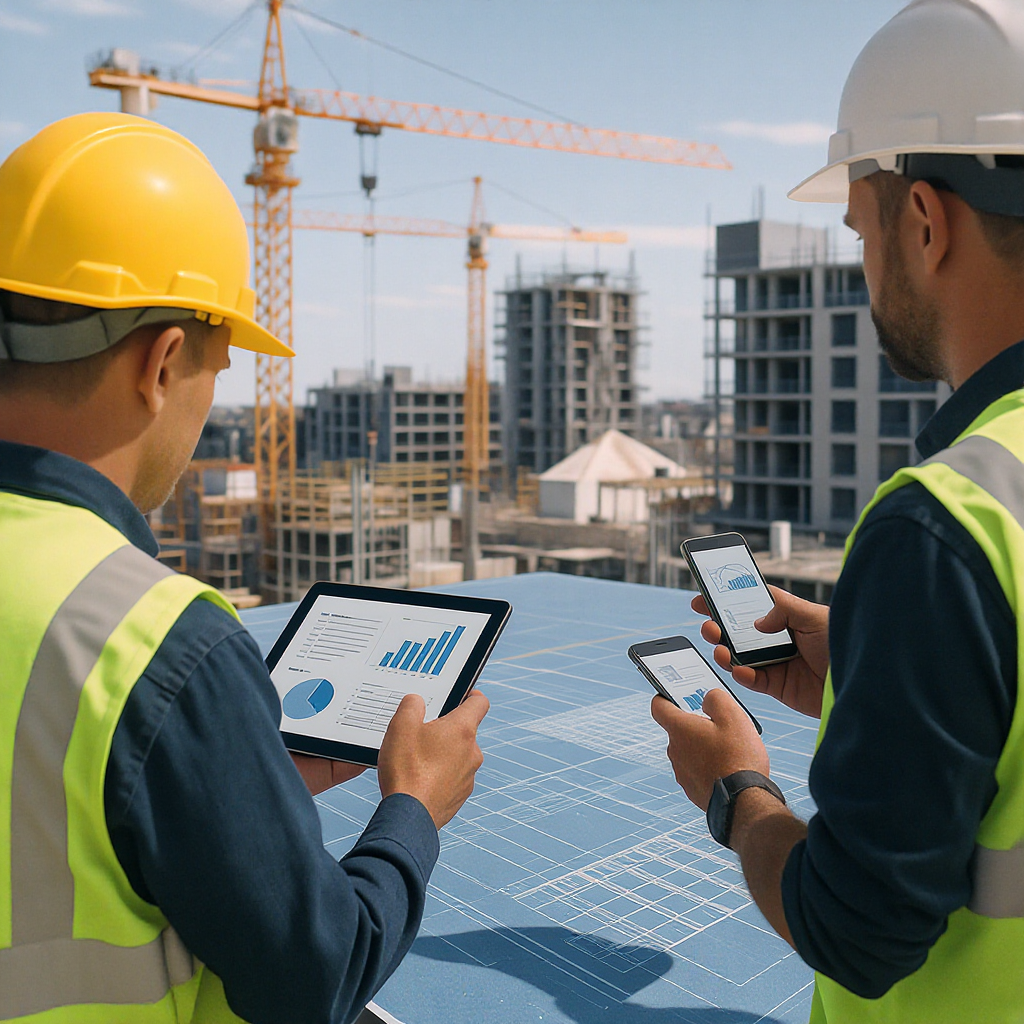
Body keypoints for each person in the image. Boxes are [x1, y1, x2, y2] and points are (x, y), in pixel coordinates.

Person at [0, 112, 489, 1024]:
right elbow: (316, 975)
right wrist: (414, 808)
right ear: (163, 362)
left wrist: (219, 782)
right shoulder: (154, 639)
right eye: (220, 368)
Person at [651, 2, 1024, 1021]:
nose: (867, 267)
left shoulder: (946, 520)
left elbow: (859, 927)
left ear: (922, 222)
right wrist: (878, 672)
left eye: (862, 230)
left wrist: (737, 793)